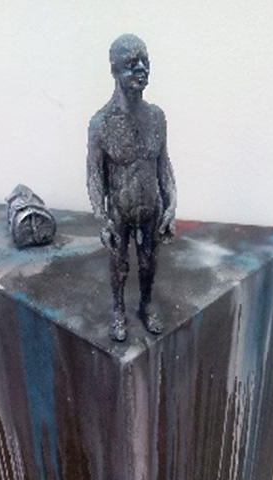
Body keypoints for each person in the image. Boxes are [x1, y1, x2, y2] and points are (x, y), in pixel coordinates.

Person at [87, 34, 177, 341]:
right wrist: (102, 218)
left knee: (149, 262)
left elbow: (164, 165)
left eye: (144, 61)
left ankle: (146, 304)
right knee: (119, 264)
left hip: (151, 207)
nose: (141, 69)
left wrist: (172, 205)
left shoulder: (157, 118)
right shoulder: (101, 123)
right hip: (119, 210)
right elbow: (94, 176)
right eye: (131, 63)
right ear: (114, 70)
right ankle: (118, 310)